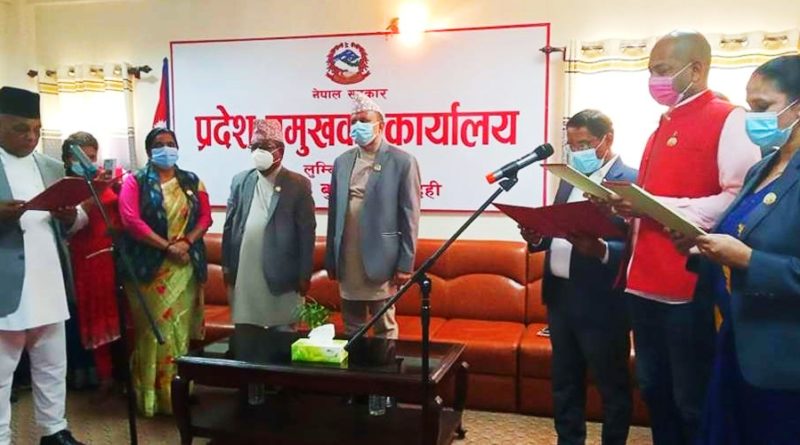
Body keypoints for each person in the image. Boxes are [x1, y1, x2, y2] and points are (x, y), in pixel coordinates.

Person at [604, 30, 761, 445]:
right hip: (642, 279)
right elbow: (652, 199)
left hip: (688, 279)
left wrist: (659, 206)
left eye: (663, 70)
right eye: (650, 70)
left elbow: (739, 197)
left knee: (691, 398)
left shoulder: (728, 118)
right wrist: (628, 207)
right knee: (653, 389)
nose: (654, 80)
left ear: (696, 70)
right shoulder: (660, 126)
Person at [678, 54, 800, 445]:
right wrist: (698, 244)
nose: (752, 118)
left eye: (763, 106)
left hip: (783, 361)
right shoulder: (760, 168)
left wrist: (749, 261)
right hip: (734, 340)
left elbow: (750, 253)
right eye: (750, 107)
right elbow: (740, 233)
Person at [521, 110, 636, 445]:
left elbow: (639, 245)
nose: (578, 151)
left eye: (585, 144)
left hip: (603, 303)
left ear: (607, 139)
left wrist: (601, 250)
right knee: (565, 383)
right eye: (572, 145)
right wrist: (537, 237)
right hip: (560, 298)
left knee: (612, 386)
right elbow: (561, 232)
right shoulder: (569, 179)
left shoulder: (631, 180)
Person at [0, 86, 86, 445]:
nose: (31, 137)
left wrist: (70, 217)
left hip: (49, 280)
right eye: (21, 129)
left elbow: (79, 220)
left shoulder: (51, 166)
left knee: (52, 364)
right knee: (2, 370)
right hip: (6, 284)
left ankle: (54, 431)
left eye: (37, 129)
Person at [118, 127, 211, 416]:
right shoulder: (135, 181)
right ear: (149, 151)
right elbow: (130, 220)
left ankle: (177, 394)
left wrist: (186, 242)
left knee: (178, 330)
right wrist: (166, 246)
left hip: (184, 265)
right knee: (153, 331)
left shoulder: (192, 180)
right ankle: (150, 395)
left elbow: (205, 217)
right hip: (147, 268)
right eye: (159, 144)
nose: (166, 148)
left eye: (171, 143)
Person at [325, 92, 421, 339]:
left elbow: (410, 217)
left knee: (384, 326)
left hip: (382, 258)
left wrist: (405, 264)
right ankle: (358, 364)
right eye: (353, 122)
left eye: (364, 121)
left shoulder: (402, 161)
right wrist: (331, 259)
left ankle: (384, 364)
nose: (358, 126)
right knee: (351, 325)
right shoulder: (342, 161)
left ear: (381, 126)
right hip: (348, 257)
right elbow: (334, 212)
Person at [222, 119, 316, 329]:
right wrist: (226, 267)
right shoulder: (240, 181)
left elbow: (306, 234)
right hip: (245, 274)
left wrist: (304, 275)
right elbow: (229, 227)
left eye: (265, 147)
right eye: (254, 147)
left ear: (280, 151)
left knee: (282, 334)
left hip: (282, 277)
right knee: (246, 333)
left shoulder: (298, 184)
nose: (258, 152)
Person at [61, 132, 121, 395]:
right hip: (87, 259)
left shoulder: (106, 177)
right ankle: (103, 377)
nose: (88, 162)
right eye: (81, 157)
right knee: (97, 319)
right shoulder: (66, 187)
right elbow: (70, 226)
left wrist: (112, 185)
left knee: (120, 317)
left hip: (115, 256)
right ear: (68, 160)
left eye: (92, 156)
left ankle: (121, 375)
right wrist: (92, 193)